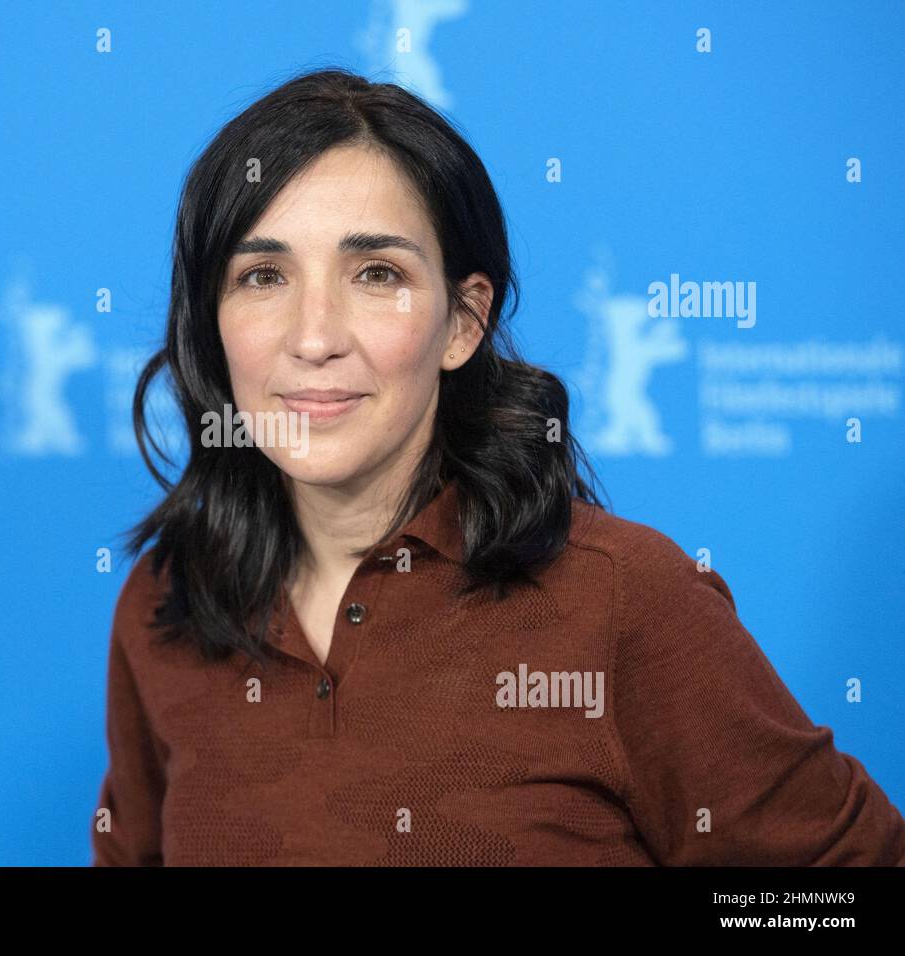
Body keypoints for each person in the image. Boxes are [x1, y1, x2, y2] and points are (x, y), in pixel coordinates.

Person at [91, 67, 905, 866]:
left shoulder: (627, 601)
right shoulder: (166, 603)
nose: (314, 337)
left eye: (377, 275)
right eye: (263, 275)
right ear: (214, 322)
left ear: (463, 322)